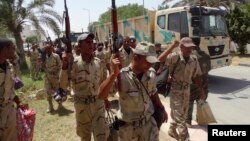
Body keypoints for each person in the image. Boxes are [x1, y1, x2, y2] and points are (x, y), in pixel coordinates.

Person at [98, 42, 168, 141]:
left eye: (152, 61)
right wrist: (114, 74)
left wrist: (161, 108)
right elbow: (101, 95)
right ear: (136, 58)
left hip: (148, 125)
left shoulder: (151, 74)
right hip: (129, 130)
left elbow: (153, 92)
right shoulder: (122, 76)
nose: (150, 64)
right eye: (147, 61)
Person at [60, 33, 108, 141]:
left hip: (98, 104)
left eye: (92, 42)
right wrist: (64, 66)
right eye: (87, 42)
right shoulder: (73, 64)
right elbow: (63, 86)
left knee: (102, 136)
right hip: (82, 107)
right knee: (85, 137)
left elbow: (103, 83)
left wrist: (106, 99)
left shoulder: (99, 63)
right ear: (79, 46)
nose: (91, 45)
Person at [158, 37, 206, 141]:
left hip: (186, 90)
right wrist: (172, 46)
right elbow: (160, 59)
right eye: (187, 47)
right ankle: (185, 138)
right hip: (175, 91)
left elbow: (197, 75)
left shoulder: (193, 59)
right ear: (181, 47)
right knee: (180, 119)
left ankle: (171, 129)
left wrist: (201, 90)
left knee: (182, 114)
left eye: (191, 48)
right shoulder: (175, 57)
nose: (190, 50)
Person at [0, 38, 22, 141]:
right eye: (12, 48)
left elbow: (11, 85)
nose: (15, 51)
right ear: (5, 49)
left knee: (12, 136)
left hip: (9, 109)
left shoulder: (9, 66)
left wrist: (15, 97)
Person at [185, 38, 211, 127]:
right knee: (201, 101)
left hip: (193, 83)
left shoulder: (190, 56)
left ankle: (188, 121)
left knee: (189, 101)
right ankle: (200, 119)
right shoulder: (206, 56)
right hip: (204, 82)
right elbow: (208, 69)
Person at [43, 43, 62, 113]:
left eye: (49, 48)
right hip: (47, 76)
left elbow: (60, 66)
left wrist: (58, 75)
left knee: (56, 91)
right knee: (48, 91)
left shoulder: (56, 56)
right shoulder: (44, 57)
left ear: (51, 49)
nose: (47, 50)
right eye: (46, 49)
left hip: (55, 76)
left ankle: (59, 103)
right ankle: (50, 106)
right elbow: (44, 66)